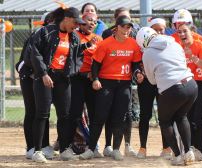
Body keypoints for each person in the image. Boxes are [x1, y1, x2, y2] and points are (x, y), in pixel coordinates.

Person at [29, 7, 92, 163]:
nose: (77, 26)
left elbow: (76, 56)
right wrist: (43, 73)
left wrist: (85, 47)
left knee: (65, 115)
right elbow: (34, 52)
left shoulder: (74, 37)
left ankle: (64, 149)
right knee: (42, 114)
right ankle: (37, 150)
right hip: (44, 77)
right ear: (67, 18)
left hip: (63, 79)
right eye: (76, 22)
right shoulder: (46, 32)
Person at [79, 15, 142, 161]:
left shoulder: (133, 44)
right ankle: (91, 149)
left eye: (129, 27)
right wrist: (95, 79)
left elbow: (135, 64)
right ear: (116, 28)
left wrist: (138, 73)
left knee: (120, 117)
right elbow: (95, 64)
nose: (126, 30)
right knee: (100, 116)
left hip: (124, 84)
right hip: (106, 82)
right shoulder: (105, 44)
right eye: (123, 26)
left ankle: (116, 150)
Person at [136, 27, 198, 166]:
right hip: (191, 84)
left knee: (165, 121)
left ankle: (177, 155)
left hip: (172, 89)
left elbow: (152, 81)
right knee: (181, 117)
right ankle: (188, 151)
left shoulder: (147, 53)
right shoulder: (174, 42)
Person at [15, 12, 54, 160]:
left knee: (43, 112)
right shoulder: (40, 33)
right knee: (32, 111)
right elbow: (30, 58)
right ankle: (31, 147)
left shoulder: (58, 35)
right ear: (49, 21)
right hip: (29, 75)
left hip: (43, 77)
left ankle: (44, 145)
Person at [176, 22, 202, 161]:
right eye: (179, 32)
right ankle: (191, 148)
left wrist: (193, 58)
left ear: (192, 32)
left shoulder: (200, 45)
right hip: (192, 84)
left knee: (199, 118)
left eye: (184, 31)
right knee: (189, 118)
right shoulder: (178, 49)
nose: (182, 34)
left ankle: (201, 151)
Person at [101, 7, 138, 157]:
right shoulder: (106, 34)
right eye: (122, 19)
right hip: (110, 78)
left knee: (127, 113)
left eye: (128, 19)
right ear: (116, 21)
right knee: (110, 113)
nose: (126, 23)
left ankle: (127, 145)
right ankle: (108, 145)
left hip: (127, 78)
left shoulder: (133, 33)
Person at [136, 17, 172, 159]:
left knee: (165, 116)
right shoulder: (141, 45)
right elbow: (136, 63)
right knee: (145, 115)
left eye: (161, 29)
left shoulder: (168, 43)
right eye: (155, 29)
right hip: (146, 83)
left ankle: (166, 148)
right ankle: (142, 148)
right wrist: (138, 72)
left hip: (162, 82)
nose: (158, 32)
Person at [69, 13, 103, 155]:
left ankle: (93, 146)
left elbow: (101, 60)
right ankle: (70, 145)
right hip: (77, 79)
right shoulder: (74, 36)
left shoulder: (99, 39)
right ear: (82, 21)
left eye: (94, 22)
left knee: (95, 114)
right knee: (75, 113)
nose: (92, 24)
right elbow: (71, 55)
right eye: (89, 20)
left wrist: (95, 75)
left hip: (92, 80)